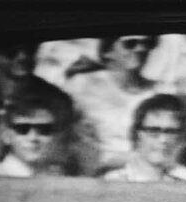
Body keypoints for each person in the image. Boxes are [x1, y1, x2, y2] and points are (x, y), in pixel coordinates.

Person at [64, 35, 173, 174]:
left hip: (146, 173)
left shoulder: (161, 91)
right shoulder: (82, 84)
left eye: (147, 43)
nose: (141, 49)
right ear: (107, 51)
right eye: (130, 43)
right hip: (94, 173)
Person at [0, 79, 74, 177]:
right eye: (22, 129)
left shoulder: (65, 180)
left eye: (44, 130)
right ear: (6, 135)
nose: (33, 138)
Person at [103, 94, 186, 183]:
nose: (163, 140)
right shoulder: (114, 182)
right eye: (154, 131)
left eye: (171, 132)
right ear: (137, 134)